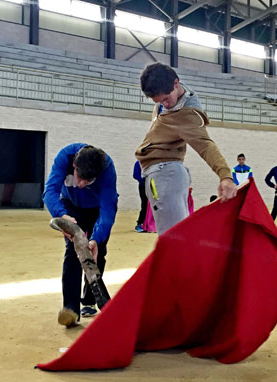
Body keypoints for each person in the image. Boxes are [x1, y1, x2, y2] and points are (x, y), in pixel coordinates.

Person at [134, 63, 236, 235]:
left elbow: (206, 145)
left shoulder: (188, 114)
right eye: (158, 102)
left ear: (176, 83)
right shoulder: (166, 99)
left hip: (166, 174)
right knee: (175, 237)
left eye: (166, 99)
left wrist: (225, 176)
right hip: (164, 173)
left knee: (172, 240)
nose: (164, 105)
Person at [43, 143, 118, 327]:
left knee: (97, 253)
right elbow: (50, 191)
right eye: (79, 178)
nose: (80, 184)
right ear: (74, 166)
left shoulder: (107, 168)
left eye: (88, 181)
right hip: (69, 208)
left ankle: (90, 300)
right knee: (72, 253)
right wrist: (61, 215)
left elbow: (108, 208)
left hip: (95, 209)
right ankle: (71, 309)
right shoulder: (65, 157)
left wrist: (96, 238)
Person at [133, 160, 147, 233]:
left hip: (154, 187)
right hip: (143, 186)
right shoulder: (139, 163)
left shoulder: (154, 161)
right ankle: (140, 223)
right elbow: (135, 175)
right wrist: (145, 181)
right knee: (145, 204)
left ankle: (152, 224)